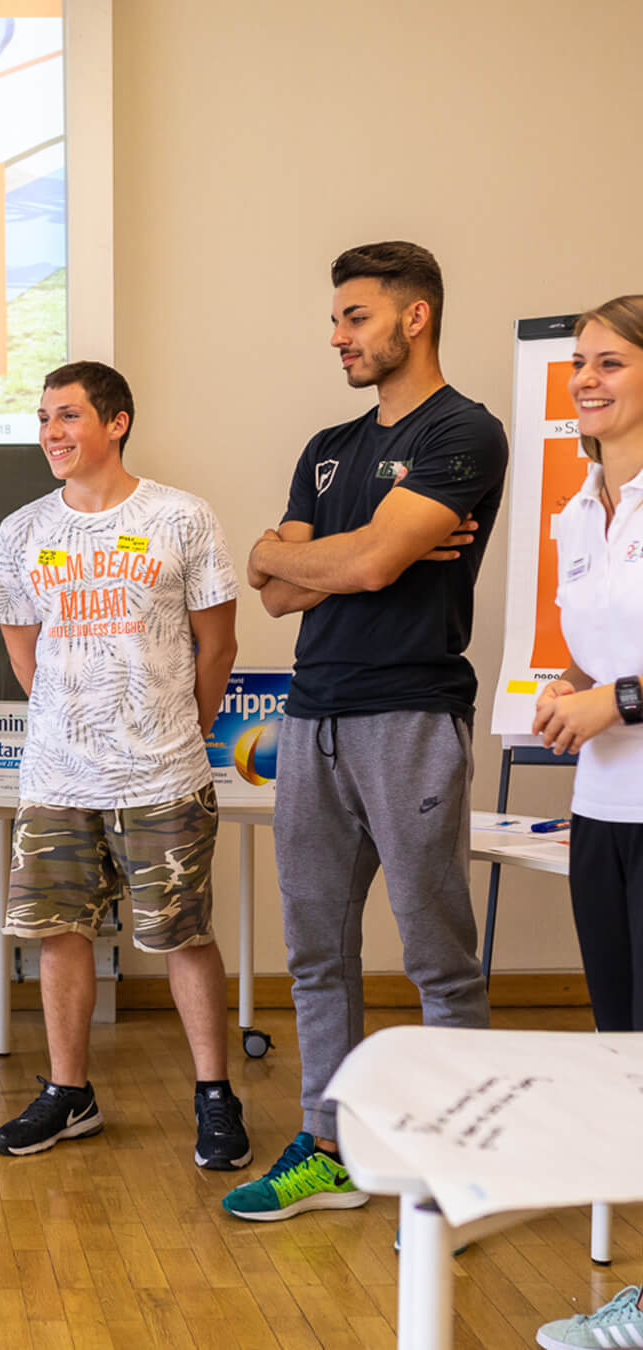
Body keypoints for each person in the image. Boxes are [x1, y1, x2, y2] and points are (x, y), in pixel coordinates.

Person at [224, 242, 505, 1222]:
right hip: (311, 722)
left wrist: (326, 552)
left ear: (414, 317)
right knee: (315, 953)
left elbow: (376, 568)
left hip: (411, 717)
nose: (336, 334)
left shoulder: (465, 433)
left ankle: (460, 1168)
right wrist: (289, 551)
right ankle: (329, 1148)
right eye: (337, 317)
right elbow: (266, 587)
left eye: (354, 316)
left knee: (437, 959)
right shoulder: (328, 446)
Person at [0, 360, 249, 1169]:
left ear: (116, 422)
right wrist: (74, 724)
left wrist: (178, 727)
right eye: (42, 419)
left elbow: (219, 643)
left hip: (163, 773)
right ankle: (71, 1095)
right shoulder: (22, 530)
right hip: (58, 776)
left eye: (67, 416)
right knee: (58, 934)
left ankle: (214, 1096)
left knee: (182, 934)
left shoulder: (182, 517)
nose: (50, 434)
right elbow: (25, 659)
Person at [531, 294, 643, 1350]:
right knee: (627, 1056)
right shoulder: (578, 510)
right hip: (604, 812)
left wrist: (621, 700)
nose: (586, 380)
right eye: (578, 366)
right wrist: (571, 690)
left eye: (609, 361)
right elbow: (597, 658)